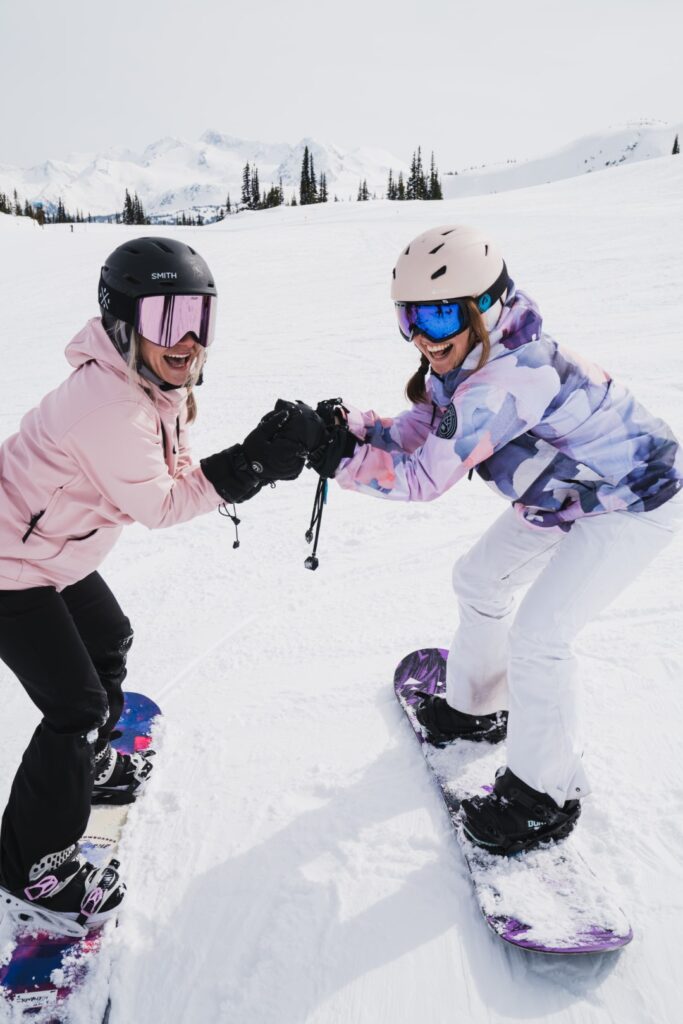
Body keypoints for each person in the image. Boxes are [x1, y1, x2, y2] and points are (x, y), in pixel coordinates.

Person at [306, 224, 683, 856]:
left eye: (440, 312)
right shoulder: (465, 362)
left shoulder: (512, 378)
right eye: (410, 317)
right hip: (567, 492)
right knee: (478, 580)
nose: (424, 335)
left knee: (541, 636)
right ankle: (479, 708)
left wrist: (339, 459)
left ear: (485, 305)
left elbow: (426, 477)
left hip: (633, 496)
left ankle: (547, 794)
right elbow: (423, 430)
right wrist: (355, 429)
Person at [0, 236, 320, 931]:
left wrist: (256, 455)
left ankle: (85, 767)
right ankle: (32, 865)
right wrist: (253, 463)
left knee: (109, 638)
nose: (185, 341)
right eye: (164, 319)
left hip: (48, 550)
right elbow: (164, 505)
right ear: (124, 323)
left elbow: (170, 475)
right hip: (8, 565)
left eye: (198, 319)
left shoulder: (145, 383)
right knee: (74, 705)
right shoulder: (107, 406)